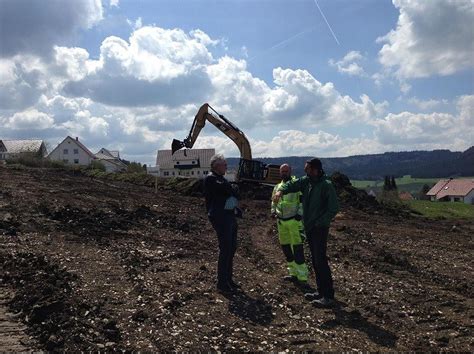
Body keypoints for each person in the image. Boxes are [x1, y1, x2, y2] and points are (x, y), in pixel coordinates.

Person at [273, 158, 339, 307]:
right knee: (315, 260)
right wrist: (281, 191)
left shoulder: (325, 185)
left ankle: (328, 295)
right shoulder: (307, 182)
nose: (305, 171)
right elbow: (293, 184)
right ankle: (321, 292)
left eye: (307, 169)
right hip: (310, 227)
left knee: (320, 260)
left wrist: (320, 222)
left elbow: (333, 208)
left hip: (319, 228)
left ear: (315, 170)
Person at [204, 154, 241, 293]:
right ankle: (222, 283)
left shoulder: (221, 179)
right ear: (216, 166)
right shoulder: (211, 178)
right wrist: (232, 189)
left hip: (229, 216)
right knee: (225, 249)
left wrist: (232, 190)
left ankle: (228, 279)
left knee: (231, 248)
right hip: (220, 217)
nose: (226, 166)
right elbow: (230, 190)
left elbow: (234, 192)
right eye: (224, 164)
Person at [271, 164, 308, 284]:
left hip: (293, 221)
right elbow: (273, 201)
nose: (284, 173)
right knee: (286, 248)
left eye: (286, 171)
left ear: (290, 171)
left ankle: (302, 277)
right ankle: (292, 273)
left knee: (297, 248)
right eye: (282, 171)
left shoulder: (296, 184)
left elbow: (302, 200)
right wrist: (273, 211)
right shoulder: (277, 187)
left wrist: (300, 213)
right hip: (281, 221)